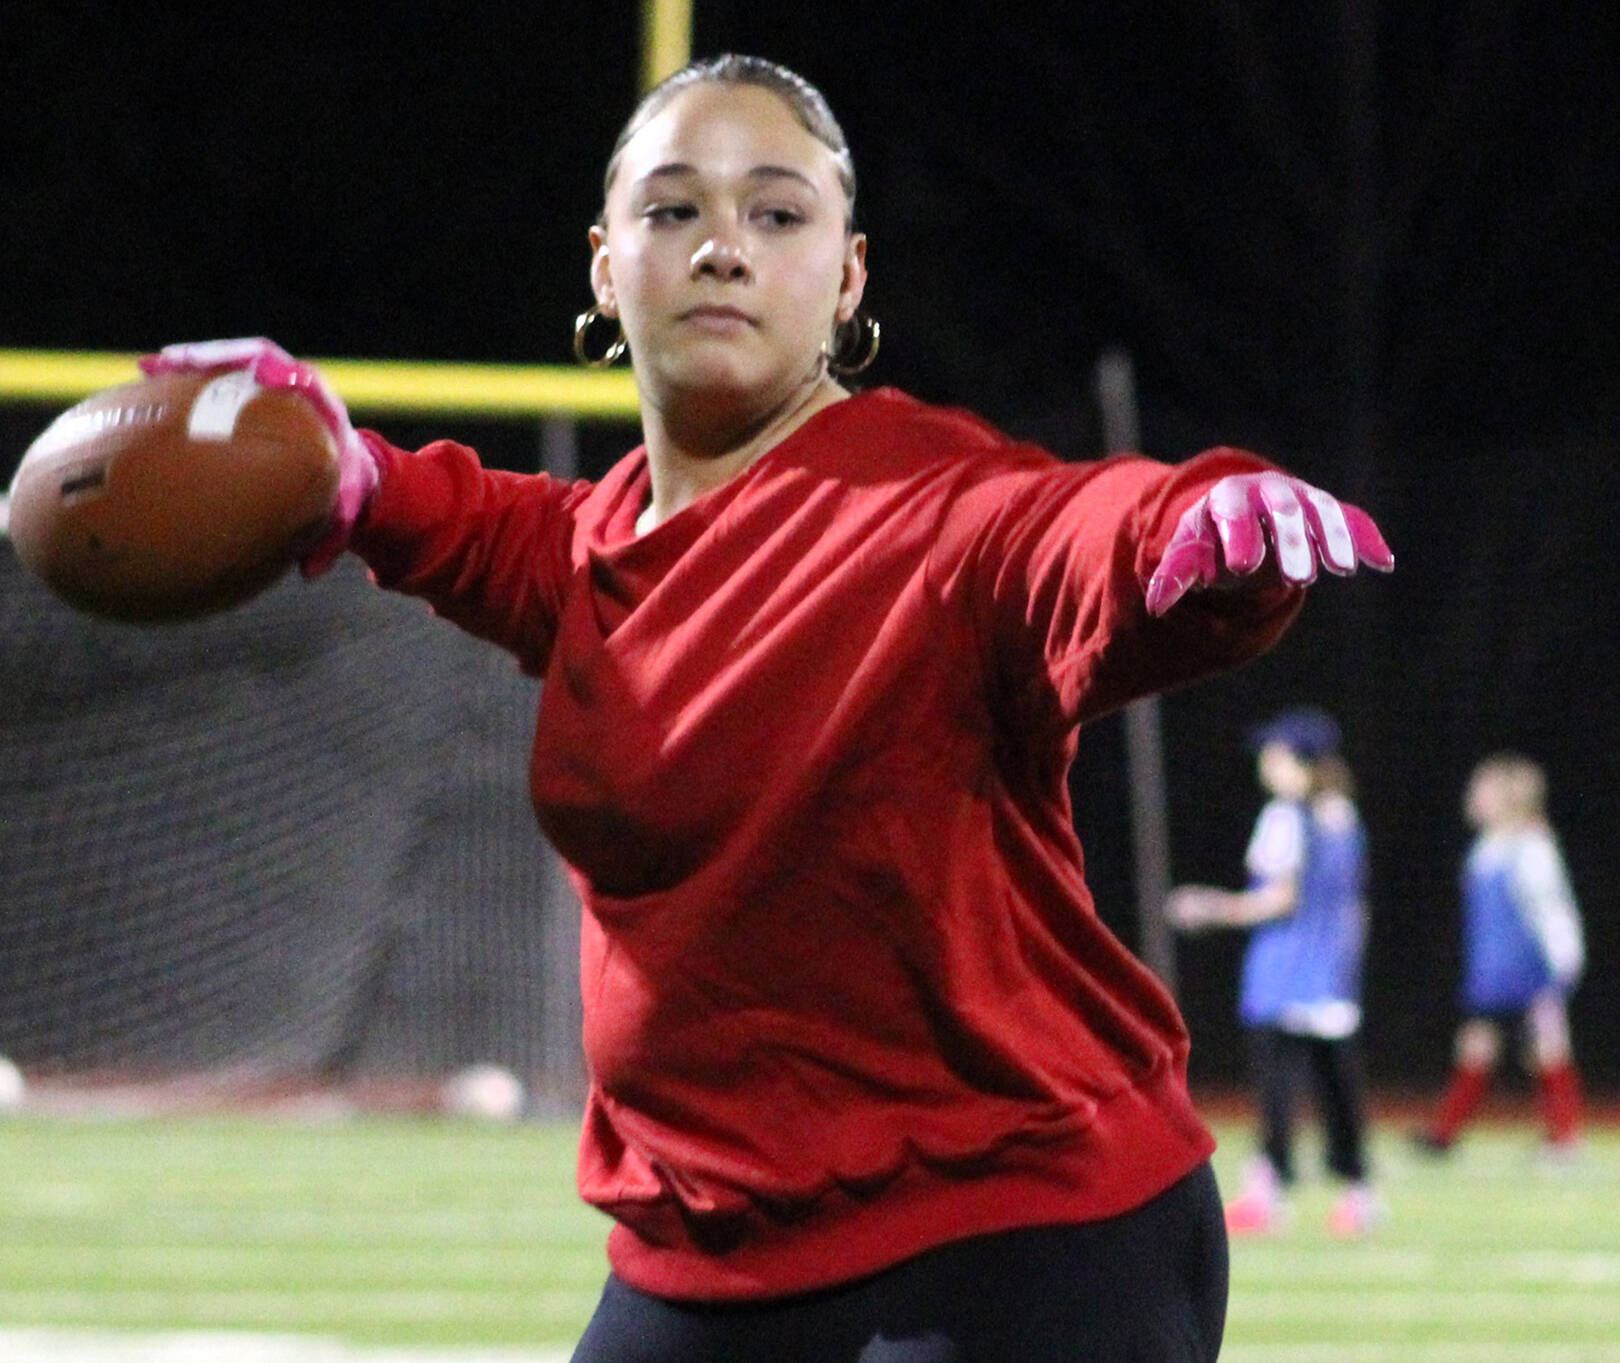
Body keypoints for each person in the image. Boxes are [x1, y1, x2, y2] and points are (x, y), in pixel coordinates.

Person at [141, 53, 1393, 1363]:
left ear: (847, 278)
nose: (722, 248)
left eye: (777, 213)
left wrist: (1192, 522)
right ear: (605, 266)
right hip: (709, 1247)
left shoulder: (922, 504)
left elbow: (1065, 536)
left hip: (1017, 1225)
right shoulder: (596, 548)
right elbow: (474, 526)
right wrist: (338, 468)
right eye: (673, 209)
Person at [1166, 708, 1381, 1239]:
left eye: (1275, 754)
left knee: (1278, 1087)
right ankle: (1359, 1194)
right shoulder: (1345, 819)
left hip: (1284, 973)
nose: (1266, 763)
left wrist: (1209, 907)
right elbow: (1355, 909)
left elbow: (1279, 898)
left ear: (1299, 763)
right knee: (1337, 1089)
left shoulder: (1286, 817)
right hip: (1331, 978)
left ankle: (1270, 1194)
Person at [1413, 752, 1585, 1160]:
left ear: (1510, 799)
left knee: (1547, 1050)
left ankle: (1564, 1140)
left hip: (1531, 971)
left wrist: (1563, 967)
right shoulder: (1486, 849)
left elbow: (1554, 912)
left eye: (1483, 790)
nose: (1473, 796)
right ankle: (1444, 1133)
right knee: (1476, 1048)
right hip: (1492, 974)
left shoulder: (1532, 848)